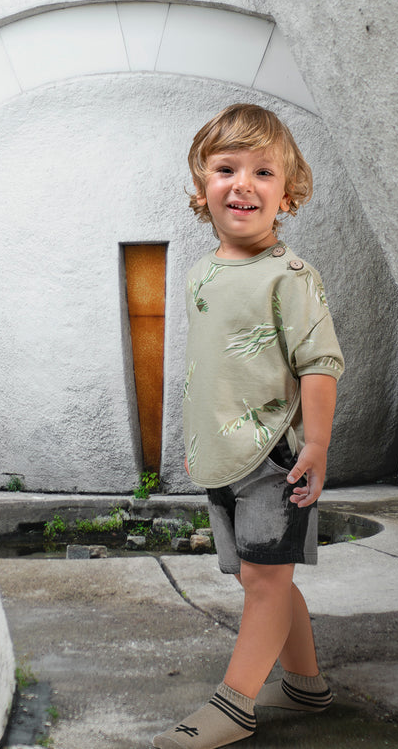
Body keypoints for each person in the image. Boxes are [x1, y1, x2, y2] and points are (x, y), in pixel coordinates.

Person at [152, 104, 345, 749]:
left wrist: (315, 444)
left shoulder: (290, 280)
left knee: (266, 580)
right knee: (264, 572)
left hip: (274, 455)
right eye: (226, 168)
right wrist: (197, 442)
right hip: (222, 454)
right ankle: (306, 682)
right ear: (201, 188)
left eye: (263, 172)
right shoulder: (204, 273)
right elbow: (209, 370)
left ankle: (235, 705)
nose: (243, 183)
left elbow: (318, 366)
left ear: (286, 195)